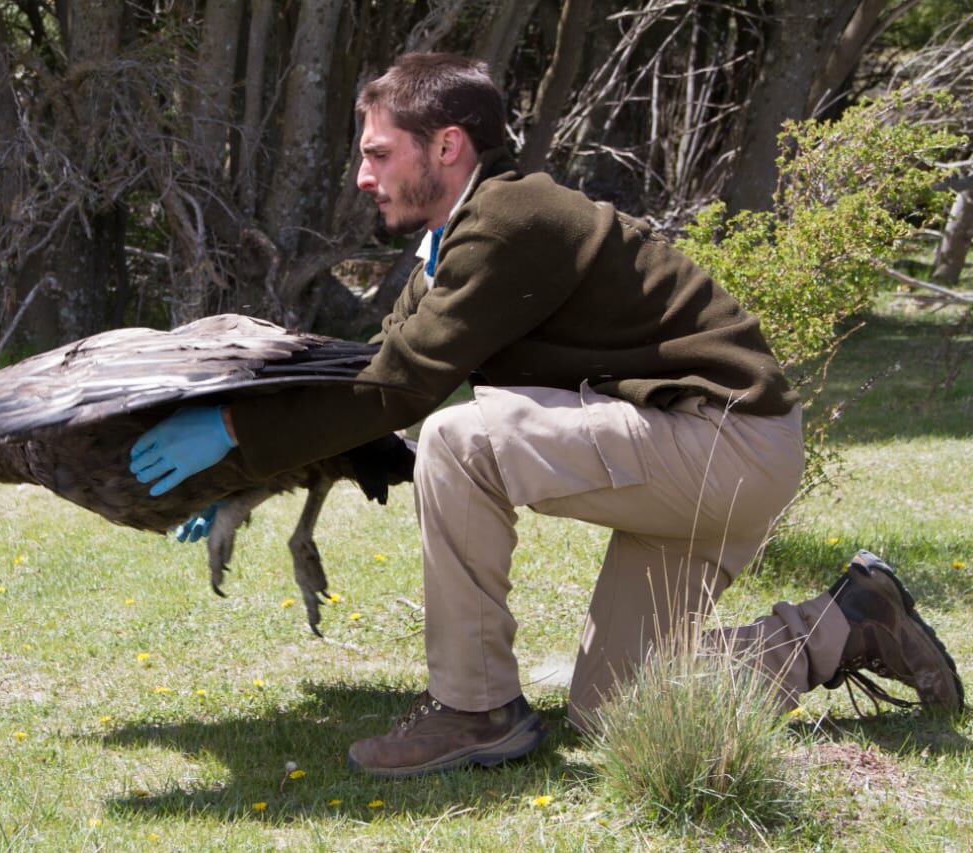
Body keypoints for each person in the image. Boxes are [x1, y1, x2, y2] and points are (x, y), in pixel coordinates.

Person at [129, 53, 964, 778]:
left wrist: (230, 436)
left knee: (459, 438)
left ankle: (474, 708)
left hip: (725, 443)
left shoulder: (512, 219)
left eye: (378, 152)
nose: (362, 175)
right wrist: (247, 473)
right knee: (615, 708)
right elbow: (380, 369)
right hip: (700, 455)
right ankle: (845, 624)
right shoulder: (458, 241)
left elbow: (398, 394)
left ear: (446, 145)